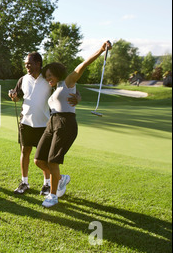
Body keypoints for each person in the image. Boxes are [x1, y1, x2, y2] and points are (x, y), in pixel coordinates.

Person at [35, 41, 112, 208]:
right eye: (46, 77)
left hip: (65, 123)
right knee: (39, 160)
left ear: (57, 73)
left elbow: (83, 65)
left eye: (50, 76)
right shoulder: (54, 89)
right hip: (52, 122)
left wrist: (100, 49)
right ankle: (61, 179)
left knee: (53, 161)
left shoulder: (68, 82)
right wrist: (78, 97)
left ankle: (53, 196)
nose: (48, 79)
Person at [9, 52, 81, 196]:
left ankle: (47, 184)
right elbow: (17, 98)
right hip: (26, 121)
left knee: (44, 157)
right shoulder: (23, 79)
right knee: (25, 151)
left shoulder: (48, 78)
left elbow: (68, 89)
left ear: (38, 63)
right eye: (25, 64)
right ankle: (24, 182)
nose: (27, 66)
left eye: (29, 63)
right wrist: (13, 96)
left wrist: (78, 97)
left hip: (45, 123)